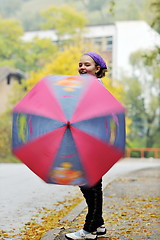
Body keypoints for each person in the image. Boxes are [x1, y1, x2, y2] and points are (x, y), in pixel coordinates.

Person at [65, 52, 108, 240]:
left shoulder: (94, 87)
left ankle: (89, 230)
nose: (82, 67)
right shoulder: (85, 87)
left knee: (90, 183)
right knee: (88, 183)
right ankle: (99, 225)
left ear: (97, 69)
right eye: (80, 64)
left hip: (91, 141)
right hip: (86, 139)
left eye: (87, 65)